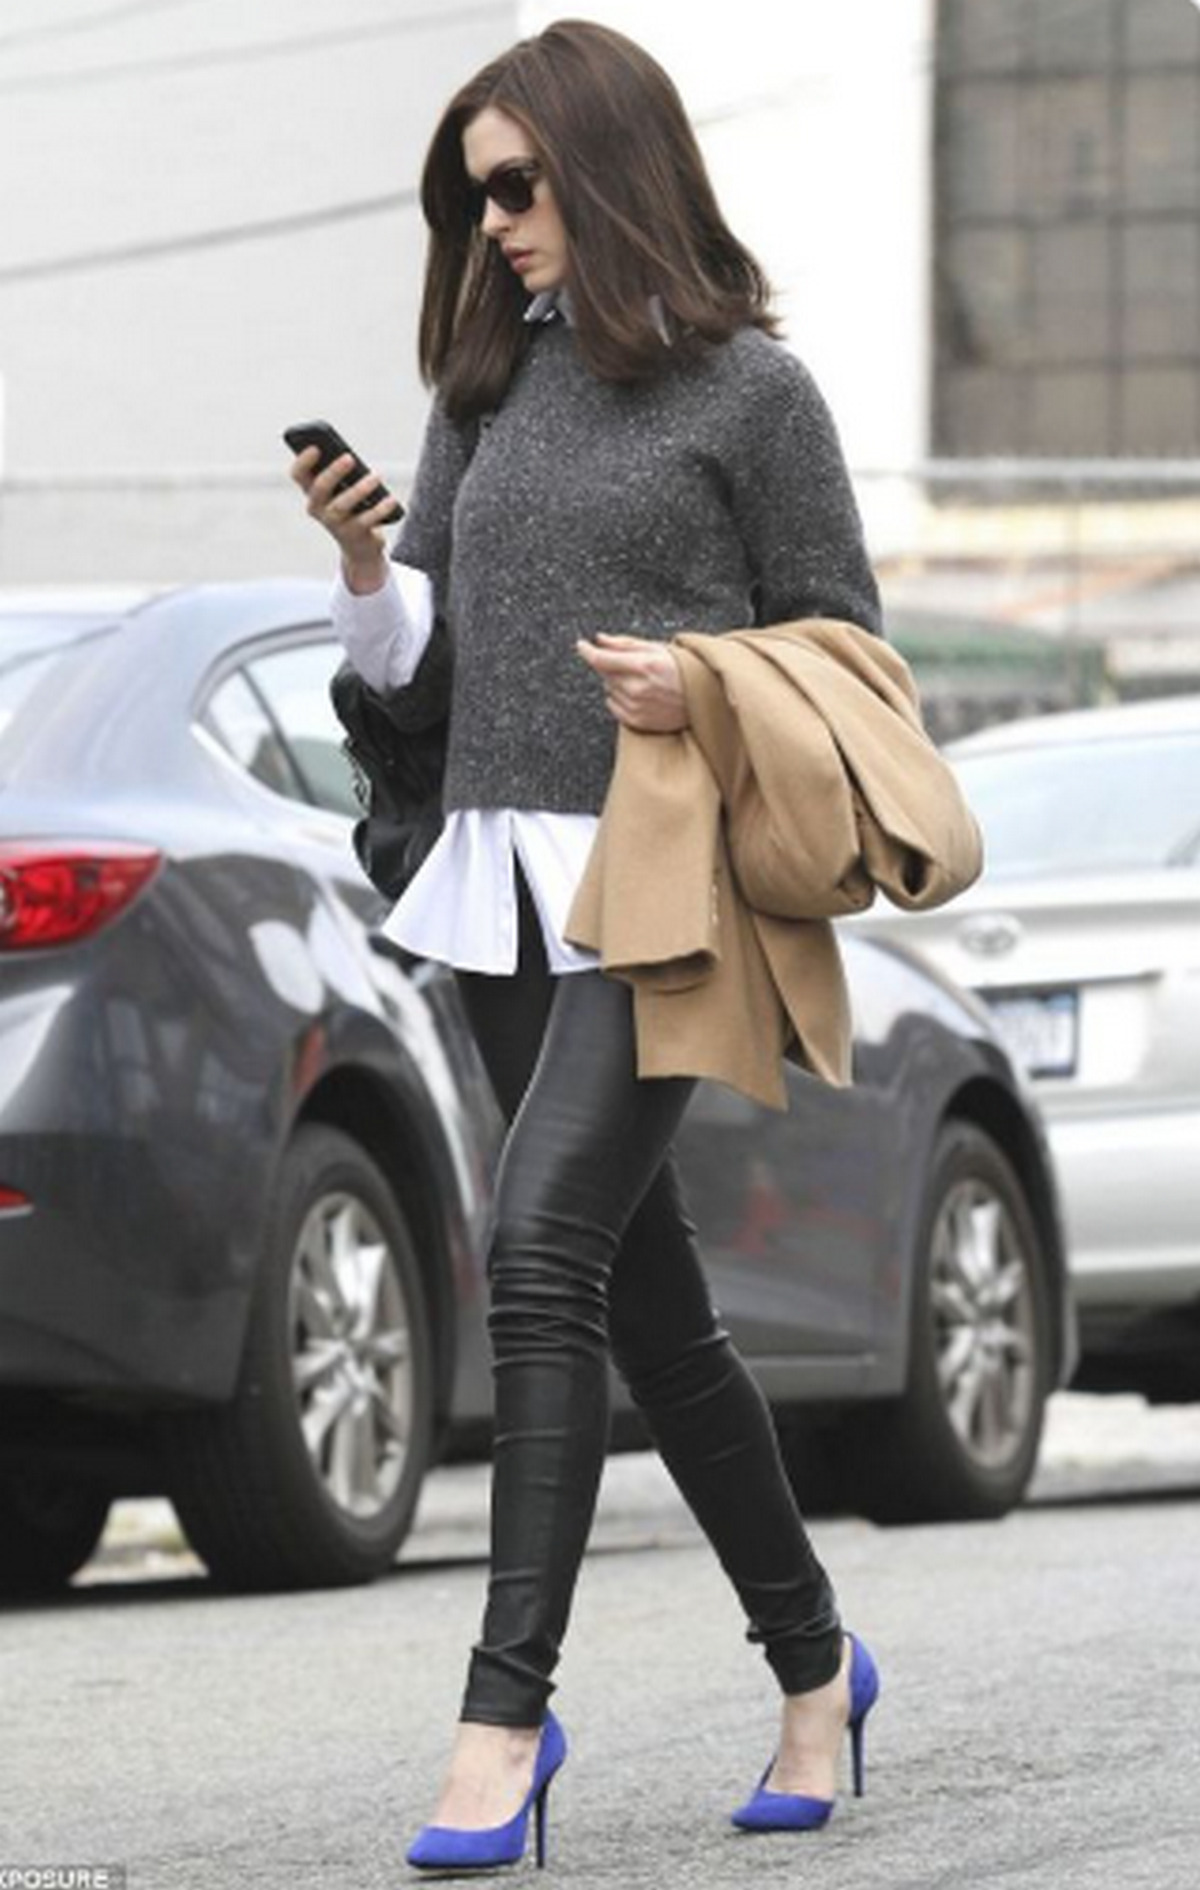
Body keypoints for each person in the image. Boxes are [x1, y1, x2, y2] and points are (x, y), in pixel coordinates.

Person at [290, 18, 882, 1871]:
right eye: (471, 199)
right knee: (653, 1310)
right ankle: (817, 1667)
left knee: (536, 1248)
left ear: (614, 168)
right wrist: (375, 580)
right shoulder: (482, 391)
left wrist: (693, 680)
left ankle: (501, 1719)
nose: (494, 227)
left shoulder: (753, 398)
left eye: (519, 187)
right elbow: (432, 694)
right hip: (497, 889)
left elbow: (851, 655)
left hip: (665, 895)